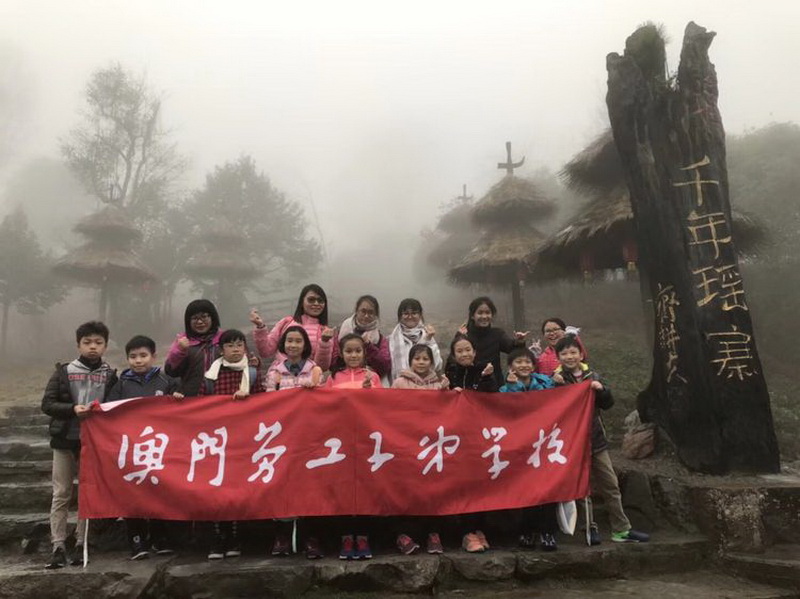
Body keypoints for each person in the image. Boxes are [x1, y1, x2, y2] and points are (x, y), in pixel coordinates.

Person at [552, 335, 650, 545]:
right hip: (572, 443)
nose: (569, 357)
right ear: (558, 357)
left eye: (573, 352)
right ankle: (589, 529)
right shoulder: (556, 379)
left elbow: (608, 404)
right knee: (582, 488)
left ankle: (621, 529)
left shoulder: (593, 375)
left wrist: (602, 390)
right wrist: (556, 386)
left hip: (596, 438)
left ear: (581, 354)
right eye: (564, 353)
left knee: (610, 484)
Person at [41, 321, 118, 569]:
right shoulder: (63, 372)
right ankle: (58, 545)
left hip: (92, 443)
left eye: (98, 342)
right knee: (61, 493)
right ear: (78, 345)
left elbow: (116, 406)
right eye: (87, 342)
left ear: (105, 346)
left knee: (87, 493)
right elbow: (47, 404)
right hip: (64, 440)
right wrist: (72, 409)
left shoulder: (110, 375)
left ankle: (80, 543)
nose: (92, 347)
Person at [105, 335, 183, 560]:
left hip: (160, 449)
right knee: (133, 493)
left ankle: (160, 537)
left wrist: (178, 398)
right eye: (133, 357)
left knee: (160, 491)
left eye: (143, 356)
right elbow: (108, 410)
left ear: (153, 356)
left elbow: (182, 407)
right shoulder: (121, 384)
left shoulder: (166, 381)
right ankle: (137, 539)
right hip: (131, 449)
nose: (138, 361)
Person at [265, 325, 323, 559]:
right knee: (283, 486)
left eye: (298, 341)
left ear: (305, 345)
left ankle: (311, 538)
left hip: (310, 438)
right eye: (289, 340)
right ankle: (282, 537)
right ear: (283, 344)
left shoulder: (315, 370)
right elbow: (269, 402)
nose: (293, 345)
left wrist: (313, 391)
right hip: (283, 438)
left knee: (311, 487)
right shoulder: (275, 372)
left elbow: (324, 400)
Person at [204, 329, 262, 560]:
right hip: (218, 442)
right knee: (217, 489)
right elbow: (200, 405)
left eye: (239, 345)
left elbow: (264, 402)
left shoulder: (253, 373)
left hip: (244, 440)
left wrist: (248, 400)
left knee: (239, 488)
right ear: (221, 350)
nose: (235, 349)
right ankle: (219, 536)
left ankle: (236, 537)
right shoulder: (211, 376)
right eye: (230, 345)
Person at [325, 333, 381, 559]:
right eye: (349, 351)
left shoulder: (373, 376)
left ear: (364, 353)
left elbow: (383, 407)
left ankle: (364, 537)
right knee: (344, 490)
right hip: (341, 442)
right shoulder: (333, 377)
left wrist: (370, 391)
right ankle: (347, 538)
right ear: (341, 353)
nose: (354, 355)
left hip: (366, 442)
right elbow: (325, 406)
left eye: (358, 351)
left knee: (365, 489)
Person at [498, 347, 559, 551]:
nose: (523, 365)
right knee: (526, 488)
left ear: (534, 366)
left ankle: (548, 532)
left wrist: (561, 384)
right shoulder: (505, 389)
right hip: (521, 445)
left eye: (527, 362)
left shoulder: (547, 383)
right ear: (510, 367)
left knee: (549, 488)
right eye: (518, 362)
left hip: (545, 442)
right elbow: (507, 410)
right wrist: (513, 387)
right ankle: (527, 530)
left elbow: (562, 401)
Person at [390, 344, 447, 554]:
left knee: (432, 490)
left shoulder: (439, 384)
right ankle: (403, 534)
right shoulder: (400, 382)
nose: (421, 362)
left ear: (432, 362)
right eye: (417, 358)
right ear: (410, 361)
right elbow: (389, 408)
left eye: (425, 358)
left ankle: (433, 533)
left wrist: (450, 393)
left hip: (431, 445)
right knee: (406, 489)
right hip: (406, 443)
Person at [444, 334, 497, 552]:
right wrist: (446, 391)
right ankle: (467, 533)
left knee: (481, 485)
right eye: (459, 351)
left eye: (468, 350)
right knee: (464, 486)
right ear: (453, 355)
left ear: (474, 352)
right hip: (457, 439)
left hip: (481, 437)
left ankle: (479, 529)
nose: (464, 354)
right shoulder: (449, 373)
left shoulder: (485, 370)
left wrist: (487, 379)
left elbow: (494, 398)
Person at [250, 283, 335, 371]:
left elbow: (321, 368)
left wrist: (325, 342)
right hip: (280, 375)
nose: (316, 303)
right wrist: (260, 326)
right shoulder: (286, 322)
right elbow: (265, 352)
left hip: (307, 377)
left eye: (320, 301)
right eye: (311, 300)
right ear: (302, 302)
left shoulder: (326, 332)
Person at [455, 296, 526, 388]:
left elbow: (513, 349)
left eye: (488, 313)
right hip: (471, 388)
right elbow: (454, 362)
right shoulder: (464, 335)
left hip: (494, 387)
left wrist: (519, 341)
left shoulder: (497, 334)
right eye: (480, 313)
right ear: (472, 316)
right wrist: (459, 337)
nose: (484, 316)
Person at [165, 299, 224, 396]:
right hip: (192, 398)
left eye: (204, 317)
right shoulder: (182, 342)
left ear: (213, 317)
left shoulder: (224, 339)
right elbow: (171, 372)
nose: (200, 322)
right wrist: (180, 351)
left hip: (221, 396)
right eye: (194, 318)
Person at [332, 295, 391, 380]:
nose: (366, 316)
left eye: (371, 312)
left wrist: (369, 347)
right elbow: (333, 363)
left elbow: (384, 367)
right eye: (363, 311)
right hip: (342, 380)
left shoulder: (380, 339)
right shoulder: (341, 333)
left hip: (369, 381)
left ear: (376, 315)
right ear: (356, 311)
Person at [388, 298, 442, 383]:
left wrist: (428, 340)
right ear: (400, 316)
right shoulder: (392, 340)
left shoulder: (427, 335)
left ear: (420, 315)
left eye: (414, 313)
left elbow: (437, 365)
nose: (410, 317)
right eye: (406, 313)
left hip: (426, 386)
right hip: (400, 386)